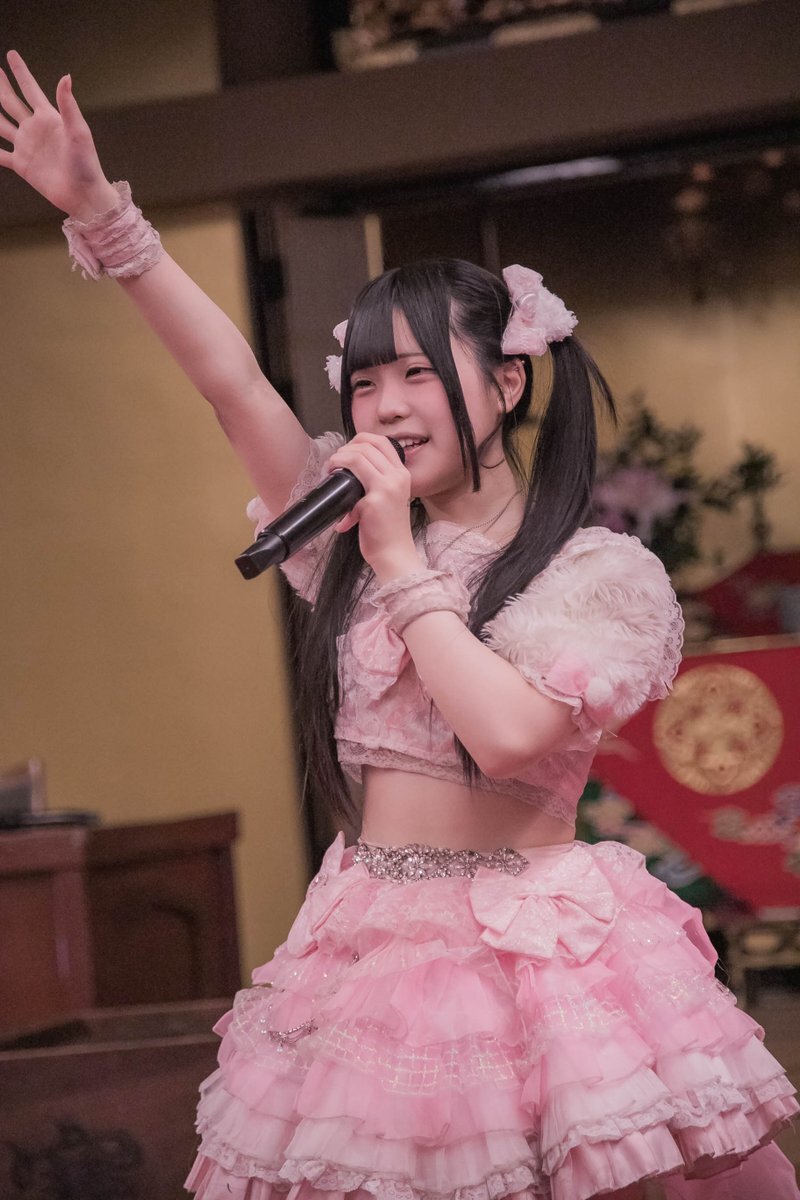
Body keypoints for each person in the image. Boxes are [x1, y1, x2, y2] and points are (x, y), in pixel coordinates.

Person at [1, 50, 798, 1200]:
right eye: (366, 383)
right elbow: (233, 387)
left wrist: (396, 563)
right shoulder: (347, 534)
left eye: (417, 375)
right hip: (368, 938)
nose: (382, 407)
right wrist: (105, 216)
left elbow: (509, 736)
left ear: (506, 383)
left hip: (533, 949)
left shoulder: (590, 571)